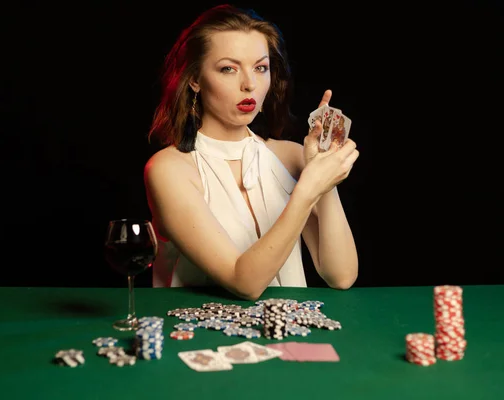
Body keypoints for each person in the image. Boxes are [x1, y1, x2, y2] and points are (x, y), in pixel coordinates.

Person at [144, 4, 360, 301]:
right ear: (195, 79)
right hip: (200, 340)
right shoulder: (169, 169)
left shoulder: (291, 156)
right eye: (228, 69)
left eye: (260, 68)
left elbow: (341, 275)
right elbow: (244, 282)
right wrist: (309, 188)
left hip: (289, 338)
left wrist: (324, 173)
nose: (250, 85)